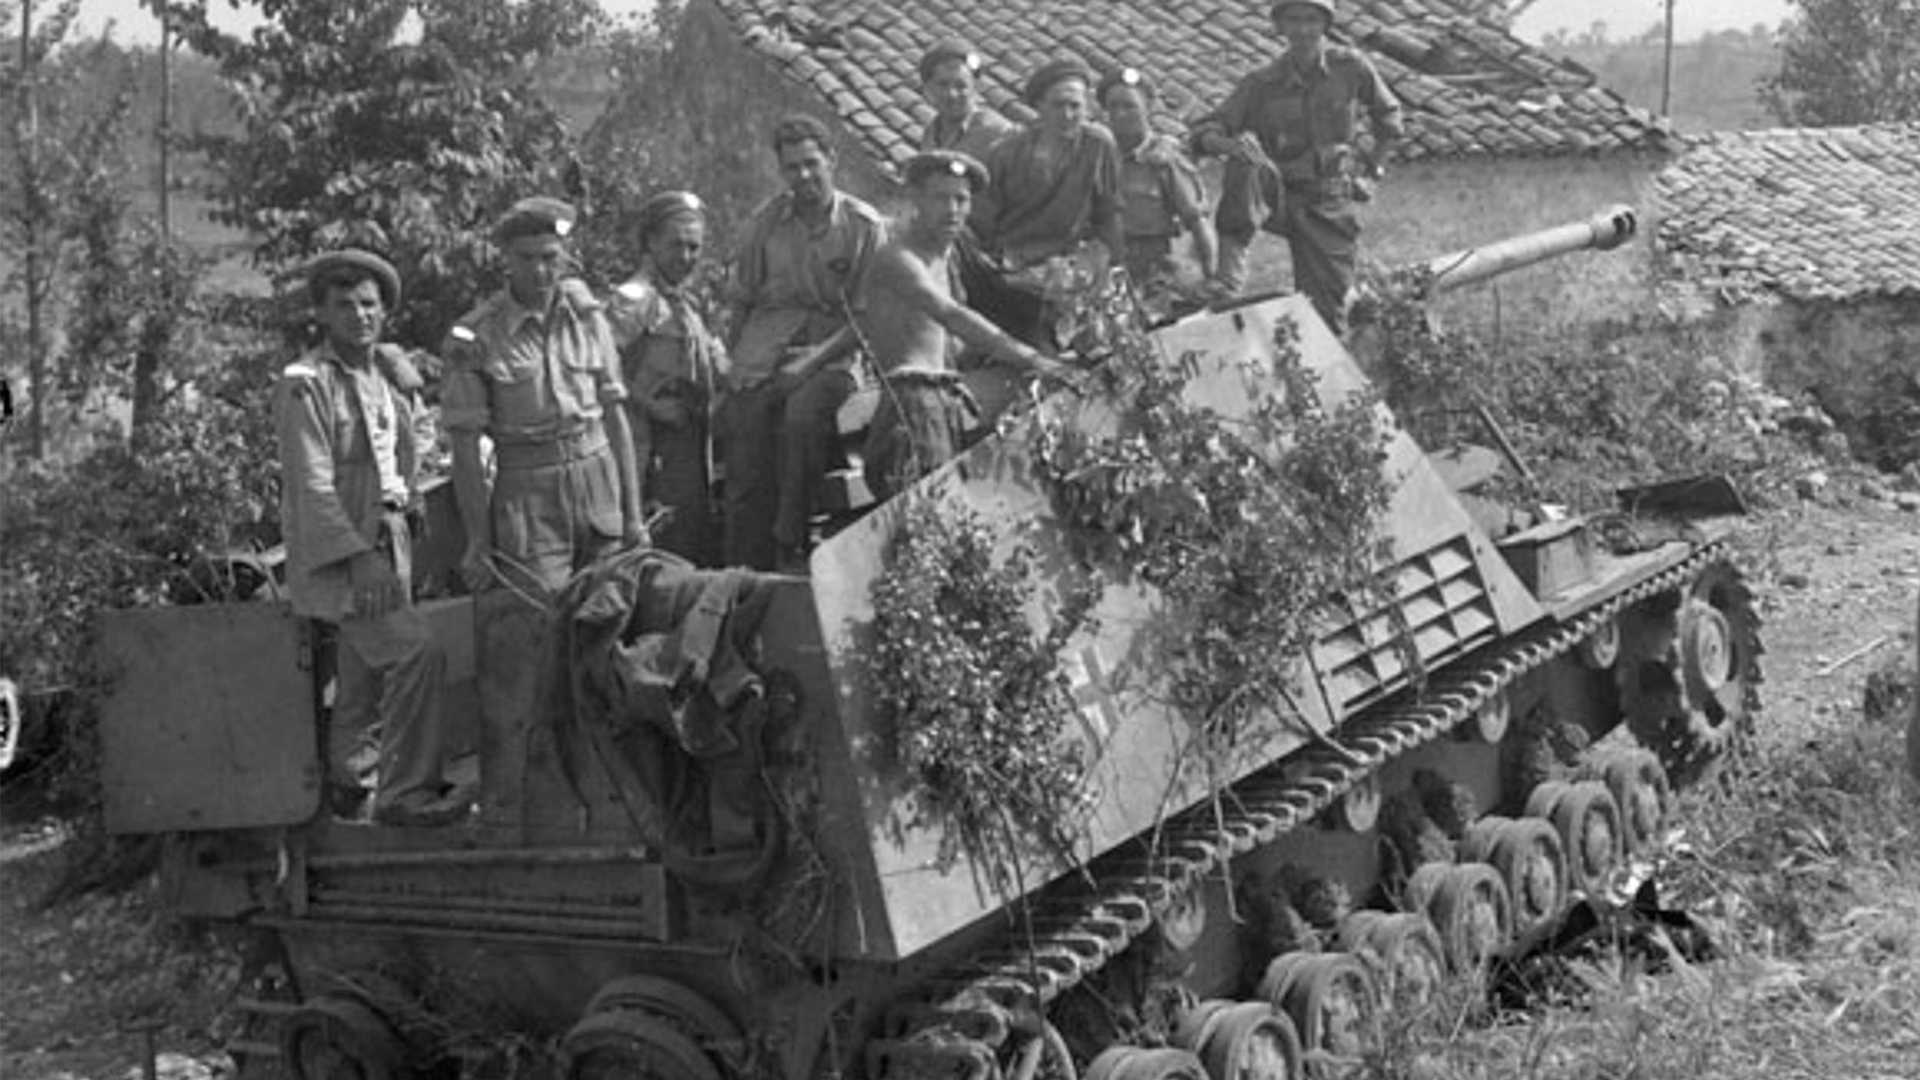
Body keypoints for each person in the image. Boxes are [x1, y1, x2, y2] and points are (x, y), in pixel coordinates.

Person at [274, 249, 463, 827]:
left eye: (369, 305)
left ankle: (351, 788)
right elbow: (312, 487)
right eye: (345, 306)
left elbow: (414, 448)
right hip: (346, 553)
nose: (359, 315)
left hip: (390, 537)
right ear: (323, 315)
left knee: (362, 672)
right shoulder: (306, 385)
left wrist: (412, 389)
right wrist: (359, 561)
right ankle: (405, 794)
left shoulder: (384, 375)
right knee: (417, 652)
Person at [442, 196, 646, 596]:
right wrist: (479, 542)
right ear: (506, 259)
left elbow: (615, 417)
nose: (540, 270)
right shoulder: (477, 335)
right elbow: (465, 450)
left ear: (566, 256)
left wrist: (634, 516)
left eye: (550, 257)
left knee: (611, 607)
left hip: (598, 482)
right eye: (526, 258)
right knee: (542, 618)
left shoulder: (588, 317)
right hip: (529, 496)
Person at [722, 114, 886, 572]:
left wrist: (812, 361)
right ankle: (737, 568)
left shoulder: (862, 226)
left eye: (812, 163)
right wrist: (736, 366)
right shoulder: (765, 225)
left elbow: (870, 317)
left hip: (833, 356)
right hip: (764, 355)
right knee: (744, 446)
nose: (804, 176)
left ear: (832, 160)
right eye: (792, 168)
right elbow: (742, 302)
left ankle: (788, 543)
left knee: (800, 420)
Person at [858, 151, 1073, 497]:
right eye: (940, 198)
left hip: (945, 402)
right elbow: (951, 316)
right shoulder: (898, 259)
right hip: (913, 407)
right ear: (915, 199)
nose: (952, 209)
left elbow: (955, 337)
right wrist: (1034, 360)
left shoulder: (950, 262)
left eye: (961, 199)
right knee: (932, 513)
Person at [1191, 0, 1403, 334]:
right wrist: (1228, 145)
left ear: (1326, 24)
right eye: (1293, 20)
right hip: (1280, 197)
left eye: (1311, 20)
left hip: (1329, 203)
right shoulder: (1262, 83)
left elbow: (1390, 121)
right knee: (1245, 161)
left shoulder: (1350, 68)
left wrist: (1373, 174)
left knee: (1329, 314)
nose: (1303, 30)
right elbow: (1204, 132)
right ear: (1280, 26)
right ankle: (1228, 276)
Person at [608, 191, 725, 566]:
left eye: (694, 247)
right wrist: (650, 406)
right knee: (655, 549)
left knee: (689, 542)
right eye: (676, 245)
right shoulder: (633, 301)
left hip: (687, 446)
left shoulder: (685, 305)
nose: (686, 257)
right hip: (644, 447)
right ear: (651, 242)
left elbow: (715, 364)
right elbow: (596, 373)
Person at [1096, 67, 1217, 301]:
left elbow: (1198, 223)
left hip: (1152, 271)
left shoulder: (1164, 160)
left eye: (1129, 106)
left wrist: (1212, 278)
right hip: (1103, 269)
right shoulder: (1098, 158)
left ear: (1148, 108)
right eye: (1113, 107)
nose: (1120, 114)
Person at [918, 39, 1018, 161]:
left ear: (975, 86)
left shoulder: (998, 132)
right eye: (942, 85)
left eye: (961, 86)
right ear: (928, 89)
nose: (952, 94)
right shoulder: (930, 135)